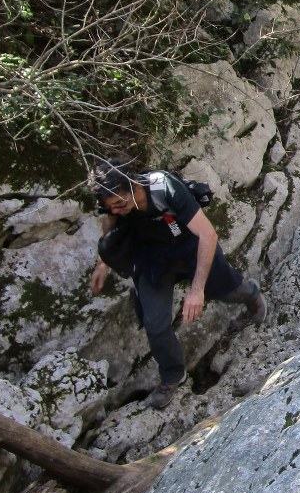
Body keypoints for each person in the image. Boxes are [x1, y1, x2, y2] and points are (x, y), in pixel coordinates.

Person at [89, 159, 267, 410]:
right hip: (153, 258)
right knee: (154, 322)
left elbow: (208, 234)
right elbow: (109, 222)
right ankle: (172, 375)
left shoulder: (165, 188)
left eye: (120, 204)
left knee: (228, 290)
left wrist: (197, 290)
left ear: (130, 185)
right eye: (111, 207)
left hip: (191, 247)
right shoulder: (114, 204)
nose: (116, 210)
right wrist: (102, 263)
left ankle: (251, 294)